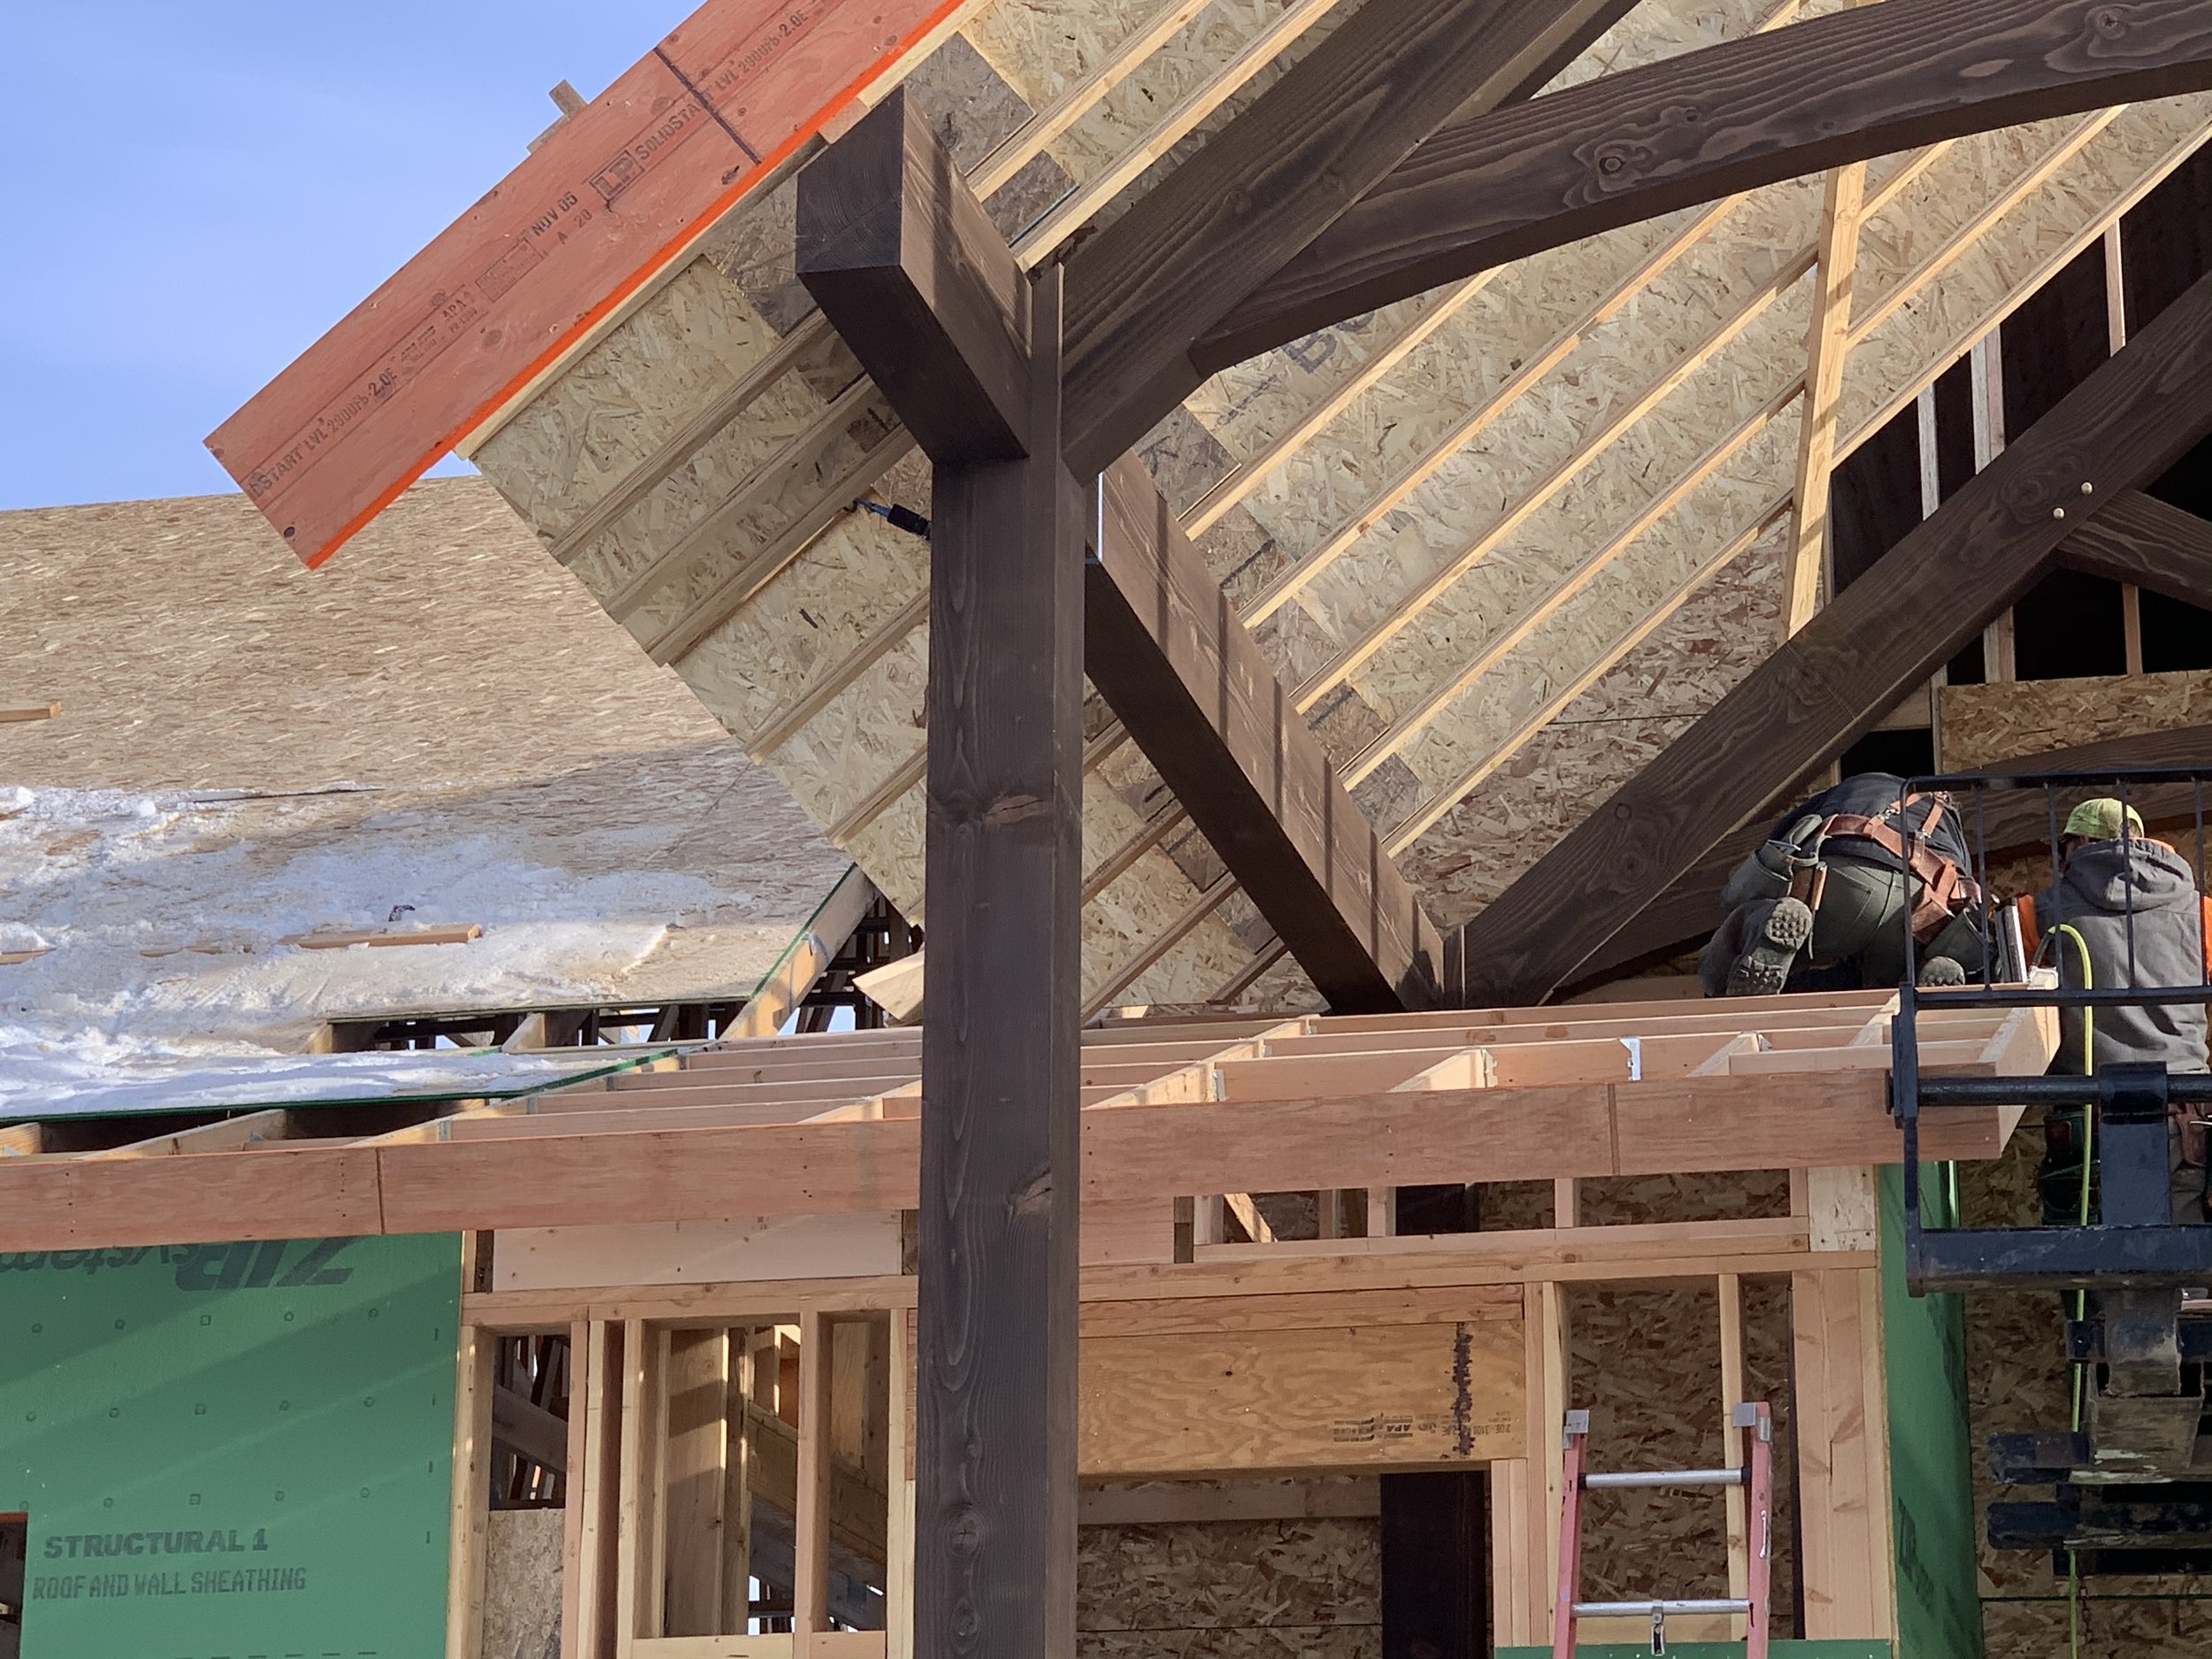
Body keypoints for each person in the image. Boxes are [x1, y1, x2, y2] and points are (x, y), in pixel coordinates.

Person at [2021, 799, 2212, 1226]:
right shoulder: (2201, 912)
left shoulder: (2036, 914)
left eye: (2064, 848)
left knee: (2092, 1256)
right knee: (2186, 1253)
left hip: (2089, 1122)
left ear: (2081, 843)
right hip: (2184, 1120)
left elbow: (1992, 979)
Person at [1700, 772, 1985, 997]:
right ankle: (1924, 977)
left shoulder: (1854, 787)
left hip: (1840, 882)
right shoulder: (1949, 825)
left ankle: (1763, 930)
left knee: (1743, 931)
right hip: (1918, 913)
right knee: (1881, 991)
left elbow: (1779, 848)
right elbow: (1968, 897)